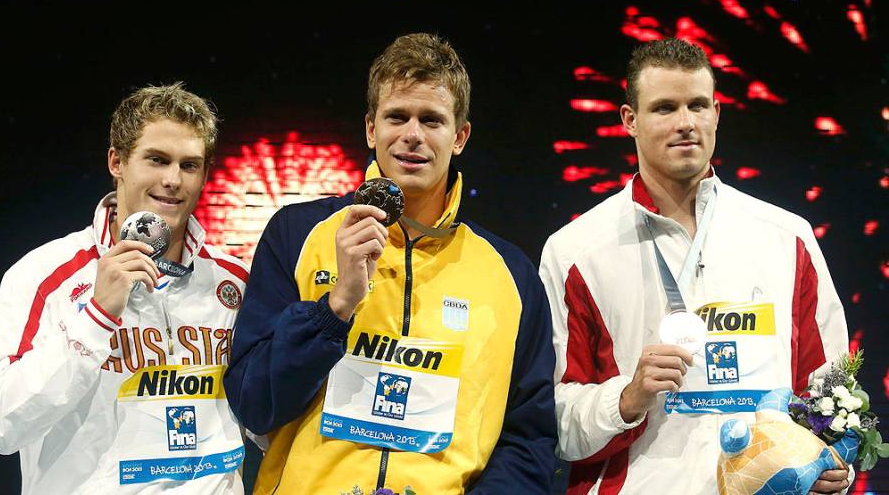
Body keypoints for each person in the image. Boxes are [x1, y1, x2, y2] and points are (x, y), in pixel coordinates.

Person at [225, 33, 556, 494]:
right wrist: (334, 308)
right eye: (396, 116)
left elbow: (529, 438)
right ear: (370, 129)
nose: (412, 135)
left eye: (432, 120)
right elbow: (253, 404)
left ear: (459, 136)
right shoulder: (296, 234)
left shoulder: (511, 274)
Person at [539, 38, 851, 494]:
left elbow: (832, 387)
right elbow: (554, 421)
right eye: (664, 108)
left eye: (698, 106)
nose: (685, 123)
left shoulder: (788, 237)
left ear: (717, 114)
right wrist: (628, 398)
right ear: (630, 120)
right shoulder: (575, 252)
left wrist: (833, 467)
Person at [0, 83, 250, 494]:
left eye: (190, 165)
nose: (172, 179)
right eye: (156, 160)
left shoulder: (234, 281)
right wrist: (96, 318)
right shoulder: (44, 275)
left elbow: (263, 413)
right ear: (117, 162)